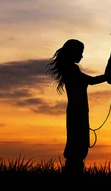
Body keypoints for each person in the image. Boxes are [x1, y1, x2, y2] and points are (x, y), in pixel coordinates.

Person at [46, 39, 107, 175]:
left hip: (76, 111)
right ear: (73, 53)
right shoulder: (72, 69)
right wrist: (110, 77)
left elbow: (89, 81)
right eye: (80, 53)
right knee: (78, 146)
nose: (82, 56)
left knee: (76, 144)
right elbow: (91, 81)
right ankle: (73, 177)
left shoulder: (70, 69)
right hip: (78, 112)